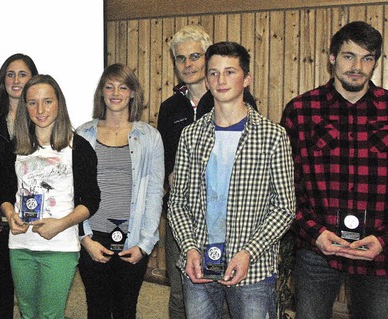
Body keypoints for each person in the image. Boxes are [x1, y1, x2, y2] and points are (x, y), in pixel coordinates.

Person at [168, 42, 295, 318]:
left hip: (253, 269)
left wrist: (249, 252)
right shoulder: (191, 136)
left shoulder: (273, 136)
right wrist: (189, 247)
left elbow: (284, 207)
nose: (220, 80)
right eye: (213, 73)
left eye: (230, 72)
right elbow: (177, 202)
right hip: (199, 265)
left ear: (246, 79)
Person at [280, 21, 388, 319]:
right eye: (348, 56)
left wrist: (383, 238)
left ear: (376, 62)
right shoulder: (301, 110)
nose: (357, 66)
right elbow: (284, 186)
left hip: (378, 253)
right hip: (317, 251)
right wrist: (313, 233)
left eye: (367, 58)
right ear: (332, 58)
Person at [157, 26, 257, 318]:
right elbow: (164, 160)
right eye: (180, 58)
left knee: (227, 293)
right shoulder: (169, 108)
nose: (187, 64)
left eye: (195, 56)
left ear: (208, 59)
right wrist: (170, 177)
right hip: (185, 218)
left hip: (230, 219)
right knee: (181, 292)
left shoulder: (240, 100)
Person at [0, 74, 100, 319]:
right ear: (25, 107)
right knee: (28, 314)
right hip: (21, 245)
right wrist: (10, 214)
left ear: (59, 104)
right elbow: (4, 194)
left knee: (49, 316)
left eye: (47, 101)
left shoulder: (79, 147)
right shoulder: (15, 147)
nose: (40, 109)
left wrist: (60, 224)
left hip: (60, 246)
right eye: (32, 102)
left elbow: (91, 201)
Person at [76, 64, 164, 318]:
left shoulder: (150, 137)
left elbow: (154, 192)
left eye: (123, 87)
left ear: (133, 93)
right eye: (109, 86)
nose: (116, 93)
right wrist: (85, 240)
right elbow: (75, 192)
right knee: (97, 310)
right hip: (93, 238)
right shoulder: (83, 134)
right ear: (101, 92)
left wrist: (145, 245)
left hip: (132, 239)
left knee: (126, 311)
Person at [0, 53, 39, 319]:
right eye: (10, 74)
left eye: (23, 74)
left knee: (33, 294)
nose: (16, 80)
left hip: (35, 218)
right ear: (2, 79)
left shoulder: (42, 115)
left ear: (33, 78)